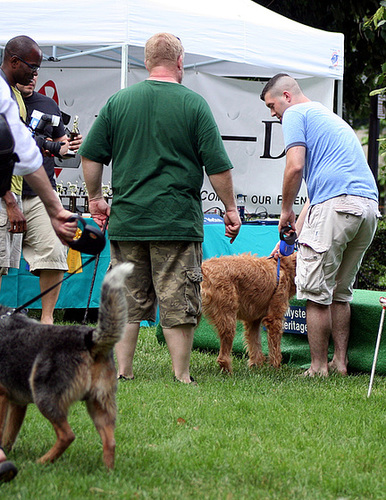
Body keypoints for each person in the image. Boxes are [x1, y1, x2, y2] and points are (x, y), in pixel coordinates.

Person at [80, 33, 241, 384]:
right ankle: (181, 375)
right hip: (176, 221)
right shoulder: (194, 104)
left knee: (127, 300)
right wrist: (230, 208)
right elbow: (217, 167)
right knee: (179, 301)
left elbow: (90, 155)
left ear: (147, 61)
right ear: (180, 61)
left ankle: (123, 372)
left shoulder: (118, 102)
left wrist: (95, 199)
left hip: (128, 220)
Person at [261, 73, 380, 377]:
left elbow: (296, 165)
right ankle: (339, 363)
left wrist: (285, 210)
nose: (273, 113)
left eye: (272, 105)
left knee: (315, 292)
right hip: (367, 208)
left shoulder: (295, 113)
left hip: (337, 206)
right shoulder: (328, 117)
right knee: (340, 292)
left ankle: (317, 368)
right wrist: (294, 229)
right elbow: (321, 194)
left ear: (286, 96)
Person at [0, 37, 77, 483]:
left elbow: (26, 154)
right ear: (12, 61)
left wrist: (53, 209)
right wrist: (10, 201)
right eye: (31, 66)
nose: (37, 73)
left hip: (22, 193)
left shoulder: (15, 102)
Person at [16, 75, 82, 324]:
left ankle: (47, 320)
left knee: (54, 254)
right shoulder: (5, 102)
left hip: (41, 194)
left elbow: (61, 148)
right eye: (27, 70)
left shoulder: (48, 104)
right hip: (6, 192)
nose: (32, 77)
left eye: (36, 72)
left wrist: (69, 146)